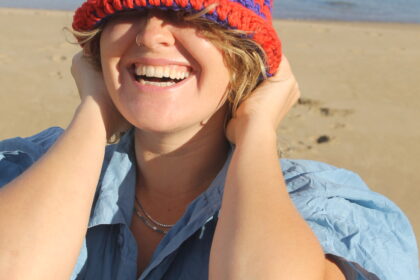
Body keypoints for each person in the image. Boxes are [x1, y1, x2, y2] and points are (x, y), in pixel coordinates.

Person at [0, 0, 418, 279]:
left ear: (242, 54)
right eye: (128, 9)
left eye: (189, 12)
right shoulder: (24, 169)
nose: (149, 36)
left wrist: (256, 131)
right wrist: (93, 117)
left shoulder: (319, 208)